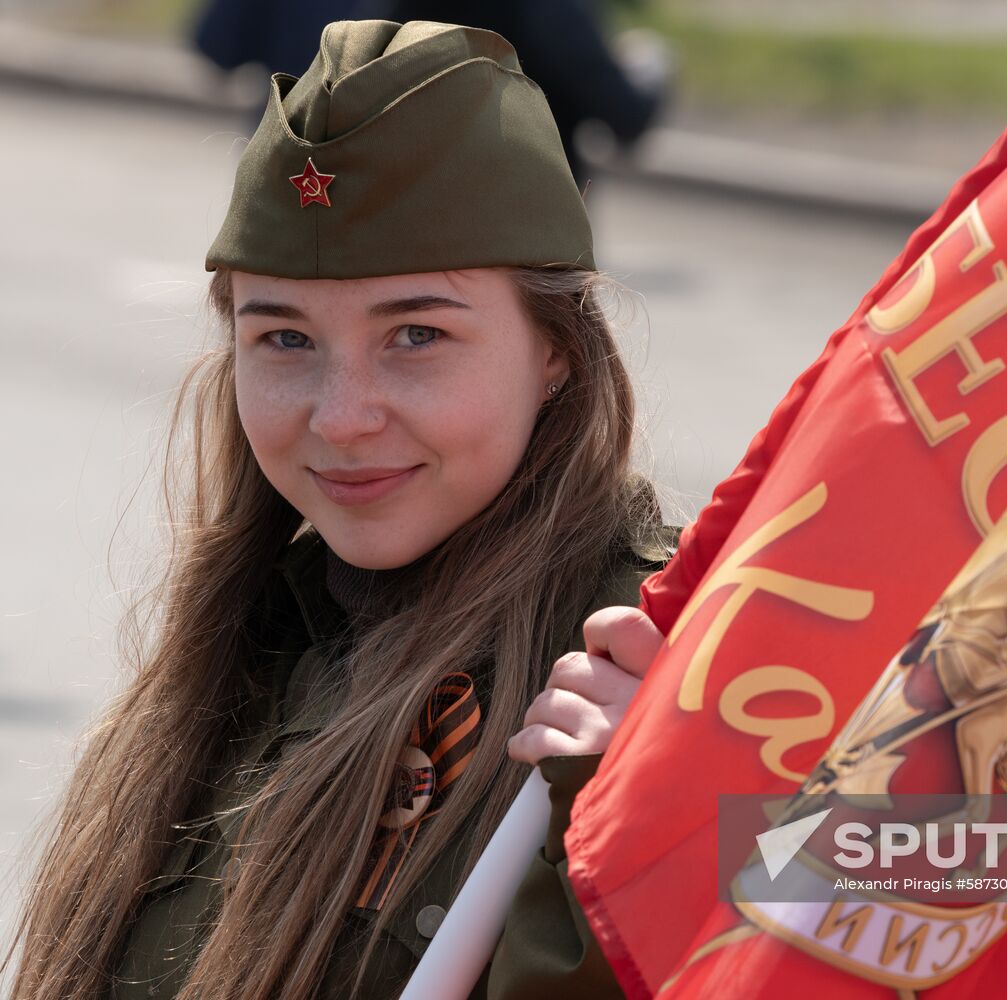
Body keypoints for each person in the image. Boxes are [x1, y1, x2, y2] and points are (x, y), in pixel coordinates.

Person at [5, 20, 674, 1000]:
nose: (342, 417)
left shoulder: (682, 669)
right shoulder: (256, 641)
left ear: (554, 347)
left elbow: (908, 915)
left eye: (414, 333)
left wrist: (653, 825)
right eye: (284, 339)